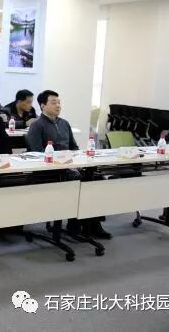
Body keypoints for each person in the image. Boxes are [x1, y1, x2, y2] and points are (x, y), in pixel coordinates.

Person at [28, 90, 111, 239]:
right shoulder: (37, 125)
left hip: (67, 168)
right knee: (82, 180)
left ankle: (92, 223)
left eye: (59, 102)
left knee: (97, 179)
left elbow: (74, 148)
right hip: (49, 172)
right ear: (42, 105)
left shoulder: (64, 123)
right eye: (54, 102)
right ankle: (76, 223)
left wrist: (78, 162)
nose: (58, 105)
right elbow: (37, 154)